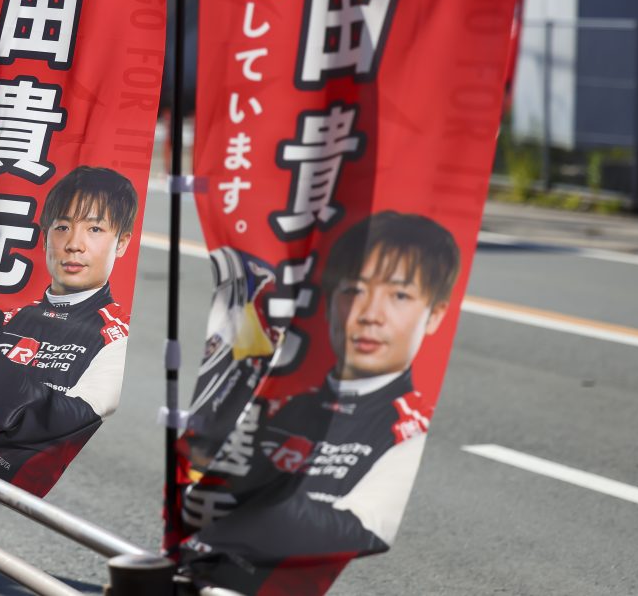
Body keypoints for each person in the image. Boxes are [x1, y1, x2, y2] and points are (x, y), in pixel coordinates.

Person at [180, 211, 461, 592]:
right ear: (328, 302)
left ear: (435, 314)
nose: (370, 315)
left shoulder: (409, 432)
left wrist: (239, 491)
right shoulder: (276, 403)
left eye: (399, 295)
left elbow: (356, 531)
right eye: (353, 290)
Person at [0, 165, 138, 496]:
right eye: (62, 227)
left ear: (122, 243)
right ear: (45, 236)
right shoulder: (7, 316)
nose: (74, 244)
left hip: (33, 496)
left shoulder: (116, 337)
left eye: (94, 228)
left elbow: (75, 418)